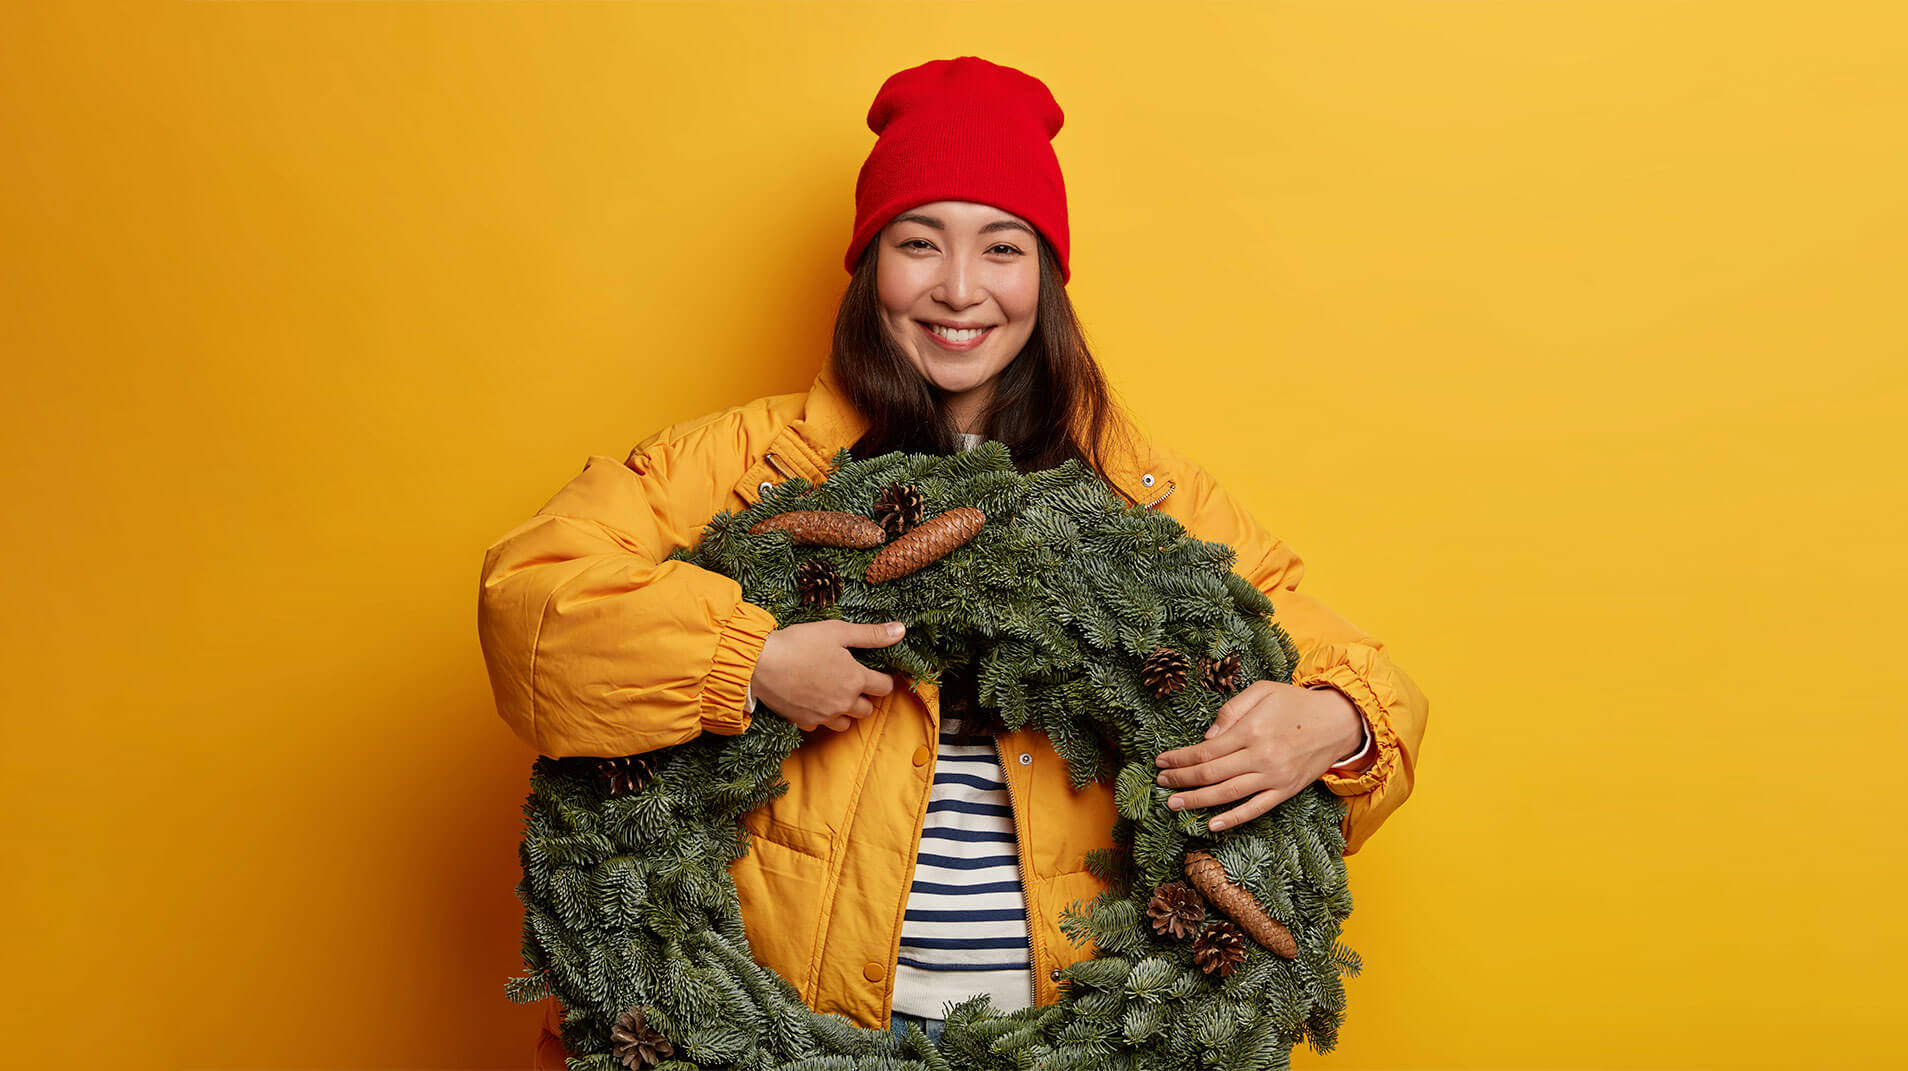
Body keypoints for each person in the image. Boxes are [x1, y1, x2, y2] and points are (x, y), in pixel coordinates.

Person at [477, 56, 1428, 1069]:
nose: (961, 289)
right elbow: (533, 600)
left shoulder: (1142, 496)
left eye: (1003, 248)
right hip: (774, 1031)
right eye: (919, 243)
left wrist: (1338, 719)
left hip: (1069, 1036)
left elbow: (1362, 674)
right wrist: (747, 660)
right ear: (868, 265)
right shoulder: (740, 469)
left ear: (1047, 277)